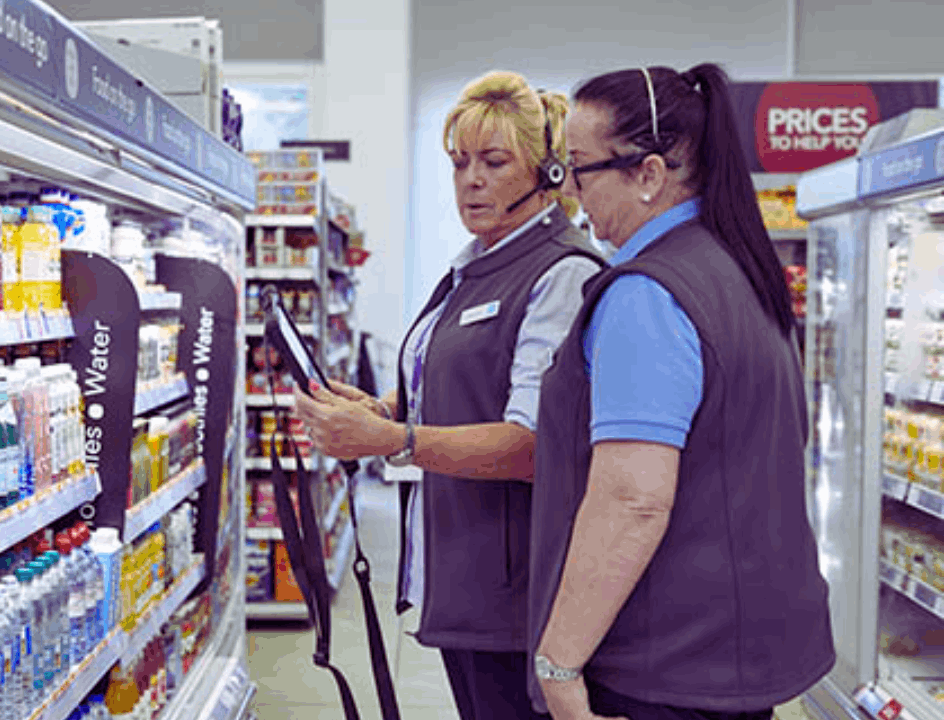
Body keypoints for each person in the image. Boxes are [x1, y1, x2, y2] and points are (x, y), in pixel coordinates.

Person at [526, 63, 835, 720]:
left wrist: (558, 664)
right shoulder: (741, 269)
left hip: (663, 662)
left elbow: (632, 502)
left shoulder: (647, 296)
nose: (571, 193)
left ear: (648, 174)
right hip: (736, 653)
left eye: (579, 170)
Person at [293, 70, 603, 720]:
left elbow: (531, 446)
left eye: (494, 162)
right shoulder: (475, 265)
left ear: (550, 176)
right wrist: (380, 413)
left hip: (514, 599)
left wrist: (395, 441)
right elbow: (464, 394)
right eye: (460, 162)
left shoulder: (560, 274)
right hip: (464, 579)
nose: (471, 180)